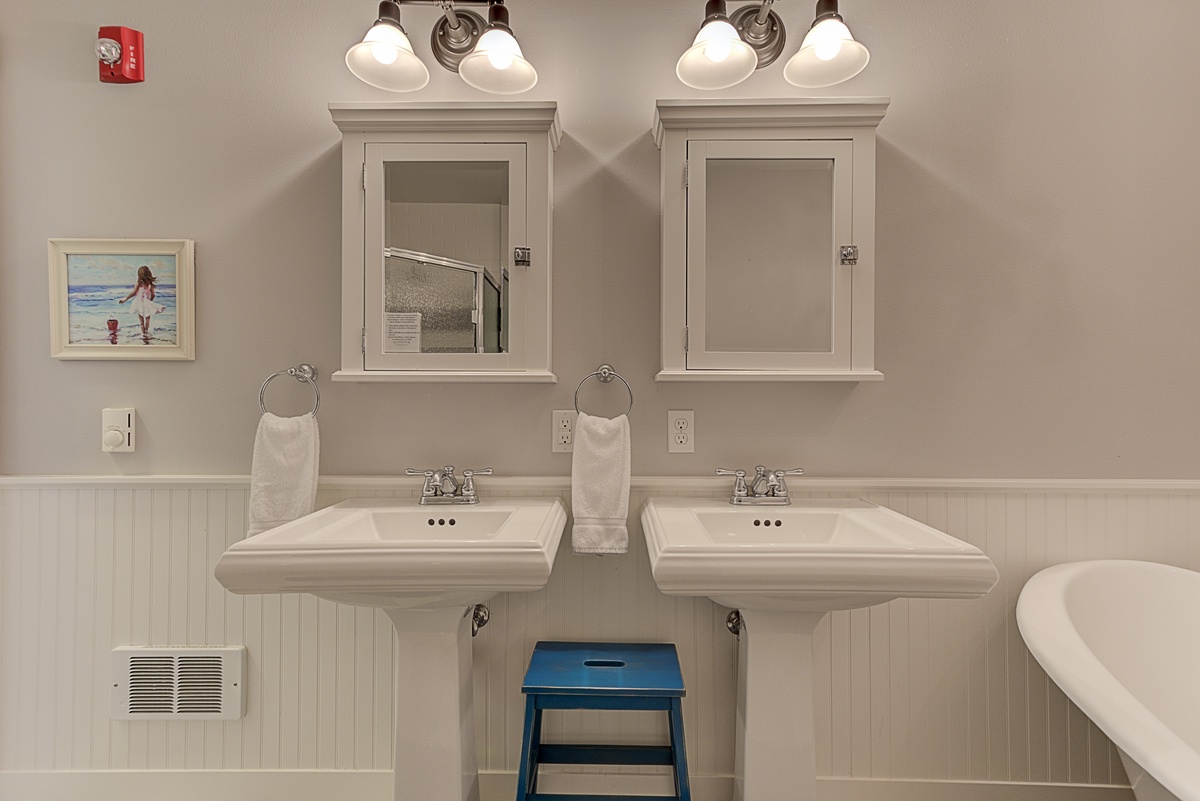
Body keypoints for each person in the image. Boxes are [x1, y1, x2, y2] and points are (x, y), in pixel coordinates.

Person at [118, 265, 165, 341]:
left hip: (139, 303)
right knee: (147, 321)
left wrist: (125, 299)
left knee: (141, 322)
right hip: (146, 303)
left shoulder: (138, 283)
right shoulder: (150, 284)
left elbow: (133, 292)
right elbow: (153, 295)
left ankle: (143, 335)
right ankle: (146, 334)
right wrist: (149, 302)